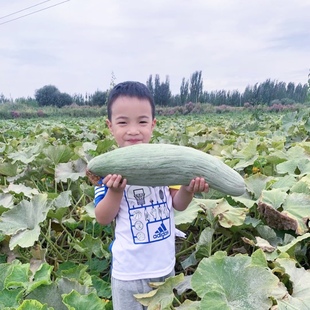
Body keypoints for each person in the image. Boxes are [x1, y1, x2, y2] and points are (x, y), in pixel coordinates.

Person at [93, 81, 209, 310]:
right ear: (110, 126)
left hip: (163, 269)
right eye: (123, 122)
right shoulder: (107, 168)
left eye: (142, 121)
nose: (133, 130)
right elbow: (103, 218)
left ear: (153, 124)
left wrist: (188, 189)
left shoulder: (165, 162)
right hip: (128, 273)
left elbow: (178, 204)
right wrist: (115, 192)